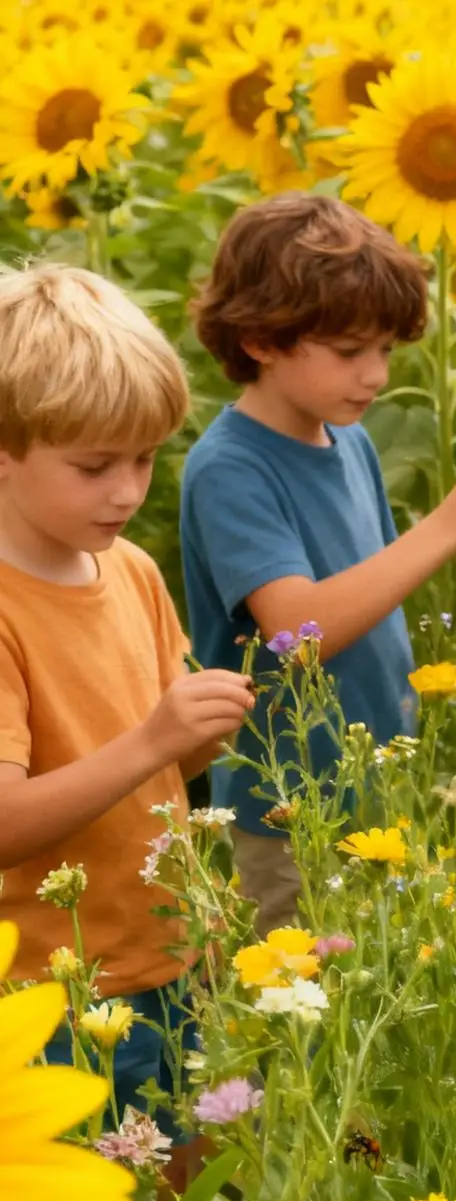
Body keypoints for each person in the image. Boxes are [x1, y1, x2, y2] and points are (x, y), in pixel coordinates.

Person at [182, 193, 456, 932]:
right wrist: (444, 526)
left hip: (370, 779)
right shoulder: (230, 468)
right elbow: (297, 632)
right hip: (288, 803)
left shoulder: (350, 441)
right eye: (349, 352)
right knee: (296, 1008)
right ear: (260, 339)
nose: (374, 374)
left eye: (385, 350)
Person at [0, 263, 255, 1144]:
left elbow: (167, 776)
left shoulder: (132, 571)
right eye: (94, 465)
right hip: (53, 992)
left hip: (172, 955)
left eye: (146, 458)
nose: (128, 491)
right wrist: (157, 737)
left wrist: (200, 731)